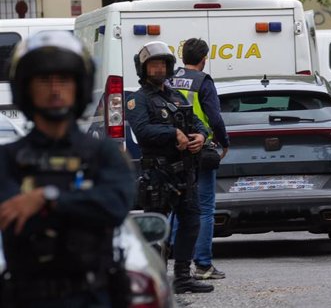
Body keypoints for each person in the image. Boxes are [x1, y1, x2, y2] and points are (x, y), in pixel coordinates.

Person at [0, 31, 135, 307]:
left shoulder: (104, 153)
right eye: (44, 80)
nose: (55, 90)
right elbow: (11, 216)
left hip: (92, 297)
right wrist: (82, 206)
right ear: (25, 87)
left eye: (64, 80)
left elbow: (115, 206)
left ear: (79, 86)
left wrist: (46, 199)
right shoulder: (8, 158)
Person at [126, 41, 214, 294]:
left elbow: (199, 123)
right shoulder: (137, 100)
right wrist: (172, 132)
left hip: (184, 172)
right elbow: (142, 131)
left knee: (191, 222)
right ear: (143, 69)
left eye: (163, 64)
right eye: (154, 64)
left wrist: (201, 136)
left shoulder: (176, 96)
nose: (159, 69)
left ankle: (183, 278)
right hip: (158, 174)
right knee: (156, 229)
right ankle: (156, 283)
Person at [170, 38, 229, 280]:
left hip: (173, 149)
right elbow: (214, 118)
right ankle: (203, 265)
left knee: (176, 205)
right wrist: (224, 143)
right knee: (205, 208)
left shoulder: (169, 79)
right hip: (200, 149)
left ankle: (177, 258)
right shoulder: (203, 81)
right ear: (204, 58)